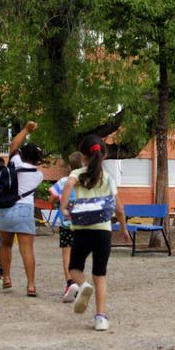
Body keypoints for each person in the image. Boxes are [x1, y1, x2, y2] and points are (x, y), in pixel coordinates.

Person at [59, 135, 130, 331]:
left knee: (74, 269)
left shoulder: (77, 174)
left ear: (82, 156)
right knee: (100, 275)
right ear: (103, 156)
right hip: (103, 231)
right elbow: (120, 209)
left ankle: (83, 286)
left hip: (82, 230)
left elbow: (67, 185)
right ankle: (101, 317)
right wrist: (123, 229)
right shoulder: (107, 178)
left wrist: (65, 207)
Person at [0, 121, 43, 295]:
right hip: (25, 209)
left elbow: (14, 145)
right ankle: (31, 285)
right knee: (27, 249)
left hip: (8, 208)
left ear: (23, 154)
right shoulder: (39, 175)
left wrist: (26, 129)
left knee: (6, 245)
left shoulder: (15, 163)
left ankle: (7, 278)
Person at [50, 151, 84, 303]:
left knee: (67, 255)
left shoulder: (64, 181)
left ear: (70, 166)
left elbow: (51, 197)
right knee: (80, 255)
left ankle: (70, 283)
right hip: (83, 225)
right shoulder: (86, 182)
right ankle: (80, 282)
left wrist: (59, 198)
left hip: (66, 223)